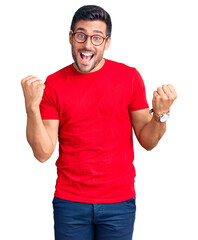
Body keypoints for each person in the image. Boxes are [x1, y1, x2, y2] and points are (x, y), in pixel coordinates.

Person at [21, 5, 177, 240]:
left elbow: (147, 141)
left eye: (96, 38)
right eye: (81, 35)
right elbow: (43, 153)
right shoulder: (53, 84)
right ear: (71, 37)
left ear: (107, 42)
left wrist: (160, 115)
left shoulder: (129, 78)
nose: (87, 45)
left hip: (119, 203)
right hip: (70, 203)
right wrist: (31, 107)